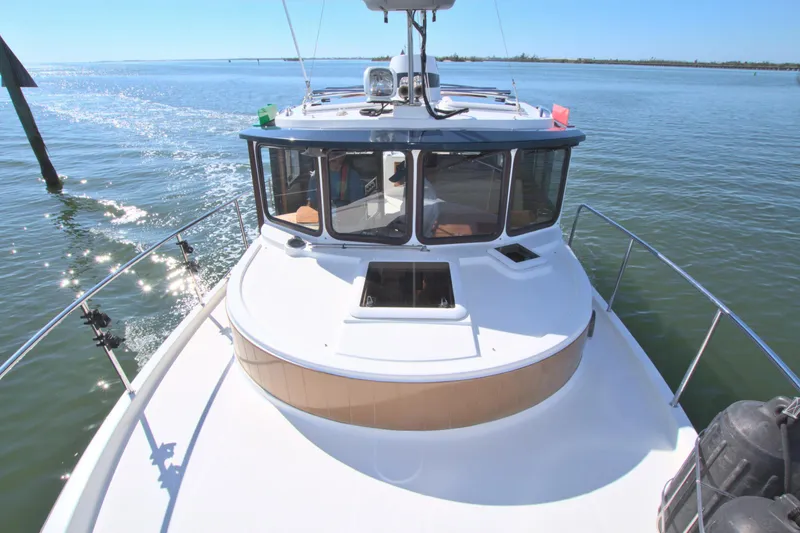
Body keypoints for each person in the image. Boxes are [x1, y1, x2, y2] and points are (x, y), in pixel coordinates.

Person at [388, 161, 442, 236]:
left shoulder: (423, 193)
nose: (400, 182)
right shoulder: (415, 188)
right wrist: (393, 218)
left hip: (416, 236)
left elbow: (418, 225)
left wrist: (394, 224)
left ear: (411, 176)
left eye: (402, 178)